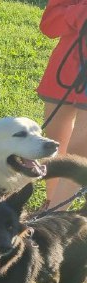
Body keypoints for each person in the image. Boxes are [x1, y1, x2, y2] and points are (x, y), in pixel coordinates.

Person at [37, 0, 87, 210]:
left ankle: (54, 216)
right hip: (65, 70)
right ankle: (51, 202)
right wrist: (80, 11)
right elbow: (48, 25)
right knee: (53, 142)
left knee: (80, 149)